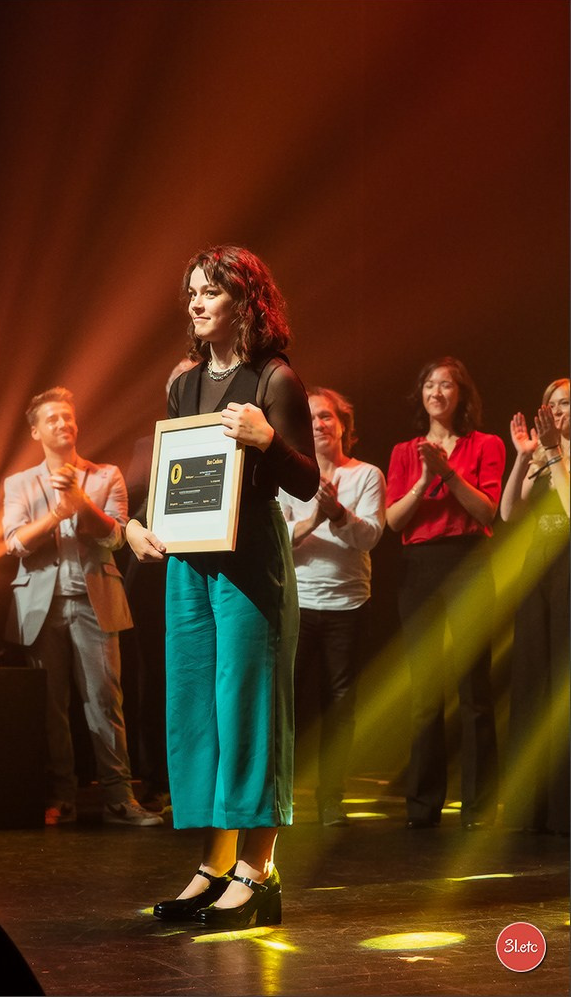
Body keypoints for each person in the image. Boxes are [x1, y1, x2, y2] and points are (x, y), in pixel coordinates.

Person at [126, 245, 318, 927]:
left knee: (248, 709)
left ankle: (257, 871)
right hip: (189, 562)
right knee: (198, 712)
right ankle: (212, 866)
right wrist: (135, 528)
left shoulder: (275, 379)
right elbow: (172, 479)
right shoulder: (183, 383)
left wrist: (269, 440)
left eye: (210, 292)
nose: (196, 304)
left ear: (246, 302)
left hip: (248, 561)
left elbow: (306, 481)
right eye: (191, 294)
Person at [2, 387, 162, 828]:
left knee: (105, 700)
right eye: (52, 418)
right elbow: (13, 542)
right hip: (40, 606)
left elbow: (115, 536)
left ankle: (118, 797)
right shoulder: (19, 483)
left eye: (68, 417)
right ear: (36, 430)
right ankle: (61, 795)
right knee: (52, 706)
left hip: (95, 601)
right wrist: (57, 513)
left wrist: (80, 500)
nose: (63, 424)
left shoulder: (105, 474)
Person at [385, 357, 505, 831]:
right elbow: (394, 522)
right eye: (430, 384)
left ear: (461, 395)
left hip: (469, 562)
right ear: (422, 395)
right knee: (425, 692)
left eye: (447, 385)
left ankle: (479, 807)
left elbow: (488, 511)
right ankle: (423, 805)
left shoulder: (486, 444)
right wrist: (424, 479)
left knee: (475, 690)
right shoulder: (403, 451)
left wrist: (450, 474)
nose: (437, 392)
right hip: (420, 568)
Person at [279, 387, 386, 827]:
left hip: (348, 604)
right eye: (311, 418)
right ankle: (279, 797)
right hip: (298, 603)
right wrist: (315, 519)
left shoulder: (366, 475)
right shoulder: (289, 478)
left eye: (327, 417)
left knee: (340, 708)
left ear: (343, 425)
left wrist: (339, 514)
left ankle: (331, 800)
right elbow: (278, 541)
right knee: (286, 704)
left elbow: (371, 537)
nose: (320, 424)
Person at [121, 357, 198, 813]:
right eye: (179, 382)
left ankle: (196, 779)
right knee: (155, 674)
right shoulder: (150, 442)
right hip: (153, 566)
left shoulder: (229, 432)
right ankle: (159, 779)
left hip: (204, 559)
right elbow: (136, 503)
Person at [499, 378, 569, 834]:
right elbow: (509, 514)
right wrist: (526, 454)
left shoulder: (560, 458)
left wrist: (556, 455)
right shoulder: (542, 456)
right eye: (558, 404)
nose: (563, 411)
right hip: (538, 569)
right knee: (530, 679)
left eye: (570, 404)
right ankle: (530, 810)